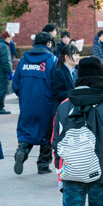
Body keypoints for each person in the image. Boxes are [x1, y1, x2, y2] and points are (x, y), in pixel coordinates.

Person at [52, 57, 103, 205]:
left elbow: (56, 142)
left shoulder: (64, 106)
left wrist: (59, 173)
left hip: (70, 172)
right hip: (101, 173)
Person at [12, 32, 58, 175]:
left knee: (27, 130)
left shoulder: (23, 61)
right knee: (46, 133)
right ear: (49, 44)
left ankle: (22, 151)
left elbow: (16, 83)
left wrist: (24, 96)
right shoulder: (52, 60)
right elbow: (56, 83)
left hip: (27, 103)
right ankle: (43, 165)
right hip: (46, 103)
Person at [51, 44, 79, 113]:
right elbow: (58, 93)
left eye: (78, 55)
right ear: (66, 56)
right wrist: (75, 94)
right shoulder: (59, 73)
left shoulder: (77, 72)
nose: (78, 57)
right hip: (64, 110)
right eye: (75, 55)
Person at [0, 31, 13, 114]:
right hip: (2, 72)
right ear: (6, 37)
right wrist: (10, 72)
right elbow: (6, 61)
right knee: (2, 89)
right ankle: (0, 107)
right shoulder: (4, 47)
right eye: (10, 38)